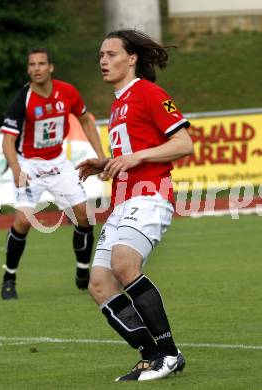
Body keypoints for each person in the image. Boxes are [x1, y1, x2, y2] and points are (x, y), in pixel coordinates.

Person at [77, 29, 194, 382]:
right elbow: (131, 151)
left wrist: (135, 157)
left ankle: (169, 353)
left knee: (124, 264)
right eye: (100, 54)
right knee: (99, 283)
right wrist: (109, 163)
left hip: (150, 194)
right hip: (121, 201)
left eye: (111, 54)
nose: (103, 60)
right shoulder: (118, 103)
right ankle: (151, 355)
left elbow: (184, 143)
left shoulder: (148, 92)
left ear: (132, 59)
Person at [0, 48, 105, 299]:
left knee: (84, 216)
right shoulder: (22, 99)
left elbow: (86, 120)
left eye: (41, 63)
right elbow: (7, 141)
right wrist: (16, 171)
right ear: (28, 69)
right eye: (32, 65)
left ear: (51, 67)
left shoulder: (67, 92)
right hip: (29, 166)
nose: (36, 68)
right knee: (23, 221)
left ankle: (82, 271)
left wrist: (101, 156)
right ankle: (9, 278)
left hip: (58, 163)